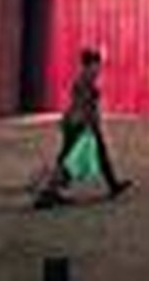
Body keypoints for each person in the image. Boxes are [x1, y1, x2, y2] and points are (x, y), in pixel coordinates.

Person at [34, 47, 133, 208]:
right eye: (96, 65)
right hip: (79, 124)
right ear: (89, 65)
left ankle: (113, 184)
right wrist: (87, 124)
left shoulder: (86, 79)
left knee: (97, 154)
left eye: (98, 65)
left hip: (83, 123)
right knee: (69, 159)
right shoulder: (84, 81)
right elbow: (81, 105)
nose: (99, 68)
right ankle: (49, 192)